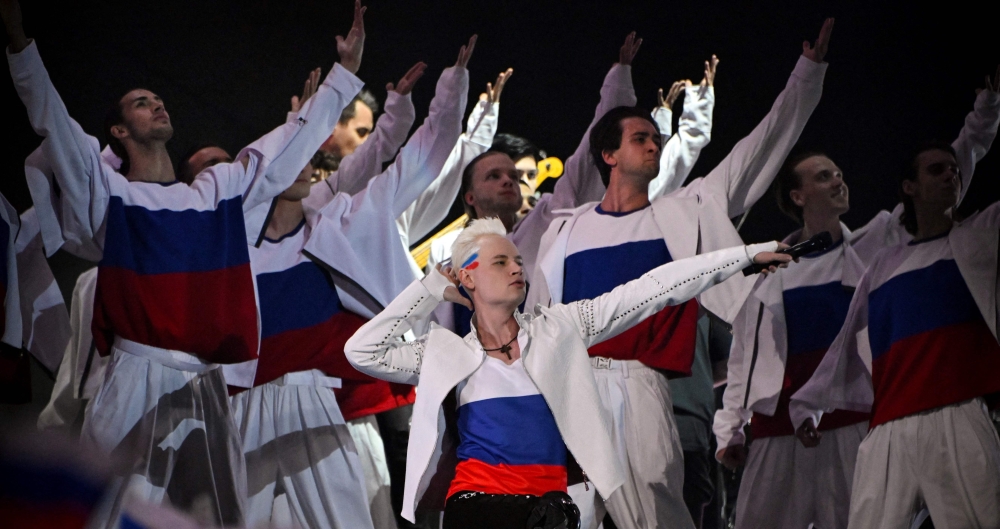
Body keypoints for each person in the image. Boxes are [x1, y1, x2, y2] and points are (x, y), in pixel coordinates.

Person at [3, 0, 366, 523]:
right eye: (141, 102)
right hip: (134, 372)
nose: (157, 105)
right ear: (119, 133)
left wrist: (344, 75)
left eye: (158, 99)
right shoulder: (110, 194)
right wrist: (19, 42)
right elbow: (54, 123)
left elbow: (285, 148)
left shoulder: (215, 192)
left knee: (216, 518)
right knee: (108, 508)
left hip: (205, 381)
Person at [527, 19, 834, 529]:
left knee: (655, 512)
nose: (653, 145)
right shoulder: (564, 231)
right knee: (570, 515)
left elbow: (756, 152)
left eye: (655, 138)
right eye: (640, 138)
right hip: (573, 392)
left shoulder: (684, 212)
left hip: (644, 387)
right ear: (608, 155)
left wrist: (806, 76)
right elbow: (540, 325)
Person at [343, 216, 791, 528]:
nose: (517, 267)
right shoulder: (445, 352)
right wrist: (426, 290)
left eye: (518, 259)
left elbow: (658, 287)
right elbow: (362, 351)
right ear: (468, 278)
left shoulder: (563, 327)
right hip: (477, 506)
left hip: (557, 506)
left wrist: (746, 256)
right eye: (500, 262)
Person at [223, 37, 473, 529]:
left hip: (316, 401)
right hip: (243, 406)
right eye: (285, 155)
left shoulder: (337, 222)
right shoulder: (231, 245)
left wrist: (452, 89)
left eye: (306, 156)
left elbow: (419, 160)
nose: (299, 165)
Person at [787, 135, 1000, 527]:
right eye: (936, 169)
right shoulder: (882, 266)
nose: (950, 174)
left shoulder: (980, 238)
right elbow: (844, 344)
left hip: (960, 414)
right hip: (889, 427)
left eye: (954, 169)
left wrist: (986, 114)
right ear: (909, 187)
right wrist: (808, 405)